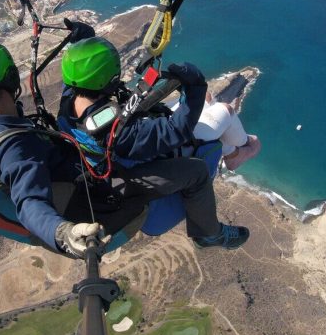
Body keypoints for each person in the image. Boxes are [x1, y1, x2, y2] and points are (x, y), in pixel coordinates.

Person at [57, 36, 250, 249]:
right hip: (128, 180)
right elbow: (176, 130)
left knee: (209, 105)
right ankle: (209, 234)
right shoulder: (122, 132)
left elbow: (79, 73)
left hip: (110, 168)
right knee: (197, 170)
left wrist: (81, 35)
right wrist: (196, 86)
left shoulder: (67, 105)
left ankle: (235, 151)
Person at [0, 37, 139, 258]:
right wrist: (64, 233)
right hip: (82, 197)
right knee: (144, 195)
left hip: (64, 177)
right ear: (12, 78)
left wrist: (83, 37)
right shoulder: (16, 148)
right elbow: (29, 201)